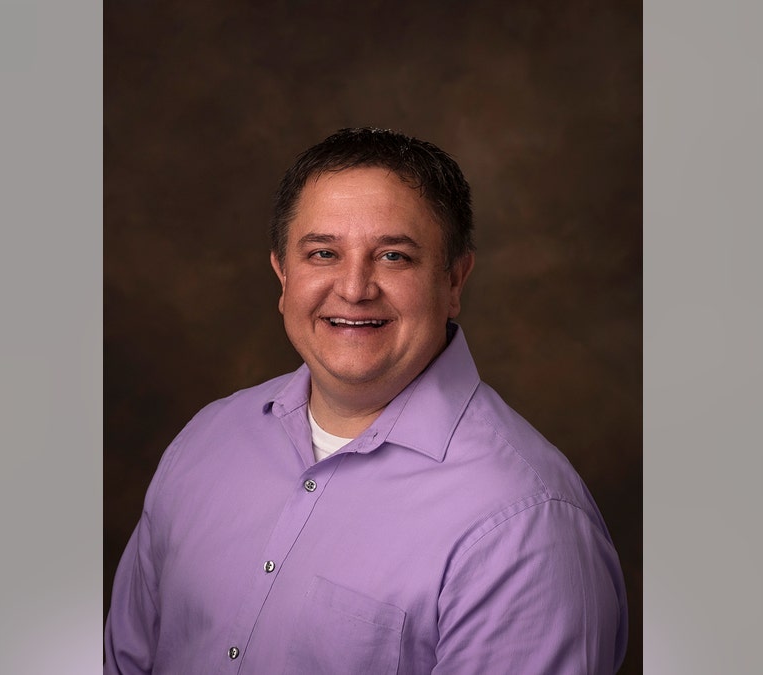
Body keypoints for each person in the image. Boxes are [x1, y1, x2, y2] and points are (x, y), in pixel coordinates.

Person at [105, 128, 628, 674]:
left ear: (454, 280)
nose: (354, 288)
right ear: (283, 275)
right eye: (324, 253)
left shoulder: (527, 524)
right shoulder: (207, 441)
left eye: (394, 256)